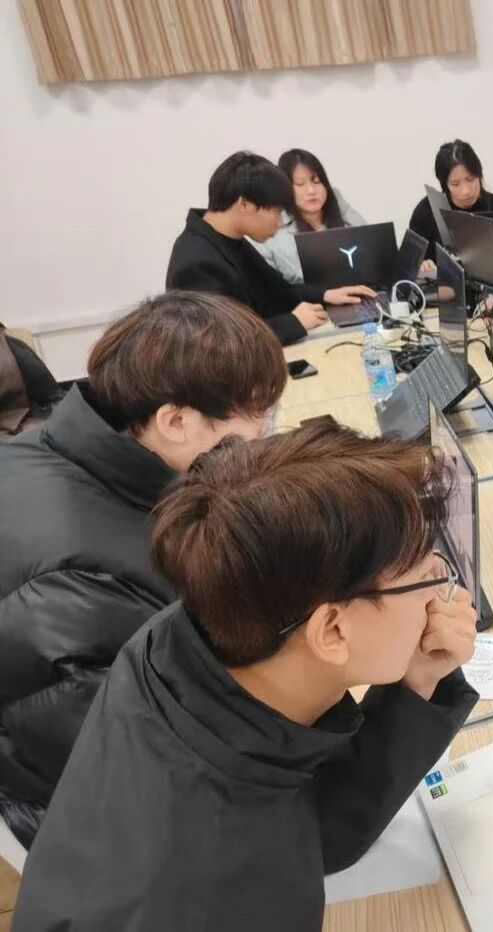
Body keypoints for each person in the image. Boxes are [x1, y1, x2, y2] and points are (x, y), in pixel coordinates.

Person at [14, 422, 480, 930]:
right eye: (426, 576)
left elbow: (318, 832)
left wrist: (418, 681)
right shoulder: (210, 895)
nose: (443, 591)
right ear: (332, 630)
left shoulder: (185, 638)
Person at [0, 291, 287, 848]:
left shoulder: (46, 449)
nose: (262, 434)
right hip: (98, 833)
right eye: (258, 417)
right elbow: (155, 780)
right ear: (175, 420)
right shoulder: (83, 587)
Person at [166, 151, 374, 345]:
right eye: (277, 212)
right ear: (244, 205)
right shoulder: (196, 264)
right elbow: (222, 343)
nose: (280, 223)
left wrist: (326, 294)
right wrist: (294, 322)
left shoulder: (231, 239)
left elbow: (278, 290)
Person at [253, 148, 367, 283]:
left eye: (316, 181)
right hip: (312, 296)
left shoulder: (343, 211)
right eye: (300, 184)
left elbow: (371, 253)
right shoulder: (272, 232)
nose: (311, 190)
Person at [408, 139, 493, 270]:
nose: (466, 191)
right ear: (445, 184)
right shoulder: (426, 211)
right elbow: (409, 261)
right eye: (455, 184)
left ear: (479, 175)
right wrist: (421, 265)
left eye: (470, 179)